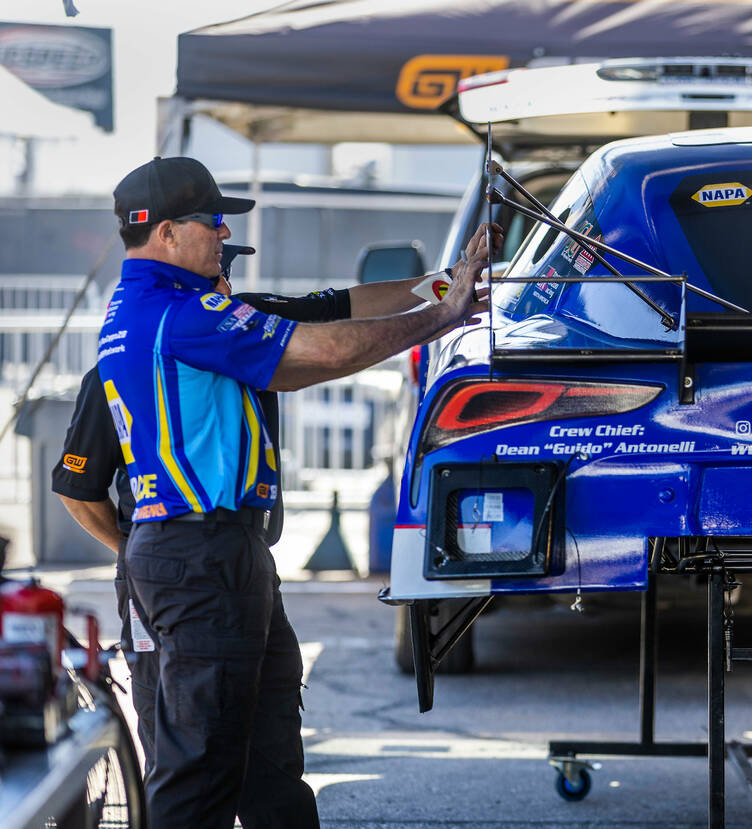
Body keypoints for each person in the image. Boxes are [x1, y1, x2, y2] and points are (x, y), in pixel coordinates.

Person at [95, 156, 500, 829]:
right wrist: (444, 317)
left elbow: (335, 308)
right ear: (166, 232)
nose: (224, 234)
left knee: (267, 757)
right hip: (199, 555)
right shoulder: (181, 316)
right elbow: (325, 352)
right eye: (213, 222)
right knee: (200, 774)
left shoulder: (173, 307)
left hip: (218, 553)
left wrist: (445, 286)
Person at [54, 241, 456, 785]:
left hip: (242, 562)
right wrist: (142, 553)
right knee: (183, 758)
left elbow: (349, 305)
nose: (222, 280)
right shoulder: (136, 356)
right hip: (171, 573)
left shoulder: (247, 323)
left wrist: (449, 285)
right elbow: (78, 489)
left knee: (269, 764)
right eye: (214, 269)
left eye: (227, 272)